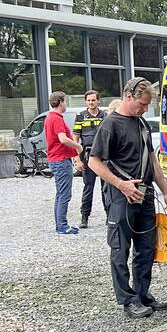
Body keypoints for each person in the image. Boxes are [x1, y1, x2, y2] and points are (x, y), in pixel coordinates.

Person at [88, 77, 167, 319]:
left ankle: (142, 293)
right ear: (129, 97)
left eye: (148, 105)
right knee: (120, 248)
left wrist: (166, 192)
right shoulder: (110, 125)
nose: (145, 109)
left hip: (146, 194)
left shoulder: (141, 124)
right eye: (142, 104)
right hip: (120, 196)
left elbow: (152, 160)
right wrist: (121, 185)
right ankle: (127, 300)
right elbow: (93, 162)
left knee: (146, 248)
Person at [45, 92, 84, 234]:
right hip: (61, 160)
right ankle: (62, 225)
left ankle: (60, 224)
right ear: (61, 102)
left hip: (55, 159)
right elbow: (63, 139)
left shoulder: (50, 117)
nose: (66, 104)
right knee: (65, 194)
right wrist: (77, 146)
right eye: (65, 101)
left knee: (60, 193)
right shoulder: (56, 119)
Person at [72, 90, 108, 229]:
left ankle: (109, 215)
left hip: (103, 155)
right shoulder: (80, 116)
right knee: (88, 187)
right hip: (87, 154)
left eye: (93, 100)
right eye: (89, 100)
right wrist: (77, 160)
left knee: (106, 187)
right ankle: (84, 217)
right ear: (85, 101)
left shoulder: (105, 115)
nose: (91, 103)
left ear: (98, 101)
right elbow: (75, 139)